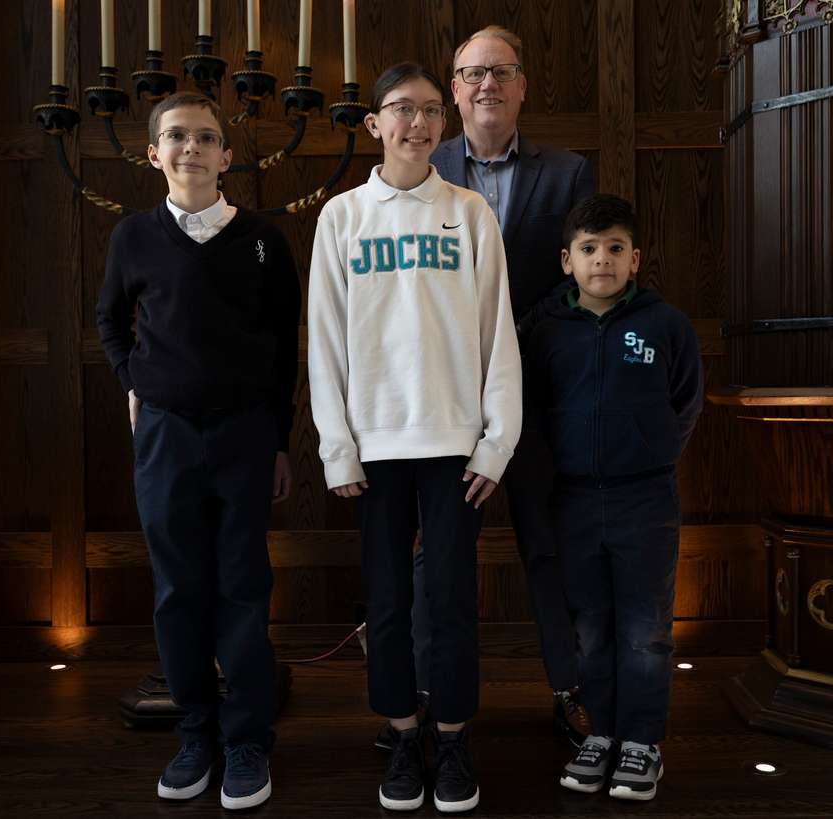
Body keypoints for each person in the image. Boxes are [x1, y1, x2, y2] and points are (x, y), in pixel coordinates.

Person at [307, 62, 522, 813]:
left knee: (454, 600)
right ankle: (403, 733)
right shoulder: (342, 217)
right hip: (374, 446)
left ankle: (453, 735)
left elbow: (498, 334)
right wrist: (337, 445)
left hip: (455, 441)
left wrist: (496, 442)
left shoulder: (469, 212)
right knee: (389, 601)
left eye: (432, 110)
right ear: (375, 123)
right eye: (403, 109)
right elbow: (324, 341)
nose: (419, 123)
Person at [95, 91, 300, 810]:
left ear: (226, 154)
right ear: (154, 154)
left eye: (206, 137)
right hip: (165, 436)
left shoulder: (263, 239)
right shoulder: (134, 237)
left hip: (245, 436)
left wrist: (280, 441)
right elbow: (110, 322)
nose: (192, 148)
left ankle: (247, 740)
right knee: (178, 589)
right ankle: (195, 733)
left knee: (243, 586)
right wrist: (135, 383)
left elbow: (283, 347)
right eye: (177, 137)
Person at [394, 25, 596, 750]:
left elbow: (578, 279)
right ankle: (425, 695)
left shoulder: (568, 173)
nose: (488, 84)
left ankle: (572, 692)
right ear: (454, 91)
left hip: (539, 394)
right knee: (437, 556)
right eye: (474, 73)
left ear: (522, 86)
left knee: (549, 546)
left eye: (502, 71)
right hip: (445, 399)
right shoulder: (424, 165)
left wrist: (505, 336)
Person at [522, 194, 702, 802]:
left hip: (645, 500)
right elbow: (532, 412)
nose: (603, 260)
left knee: (646, 630)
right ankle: (600, 733)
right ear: (567, 261)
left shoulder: (665, 325)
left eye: (615, 248)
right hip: (572, 500)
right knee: (591, 628)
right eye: (590, 249)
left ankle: (642, 742)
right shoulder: (547, 333)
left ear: (635, 259)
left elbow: (685, 402)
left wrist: (651, 451)